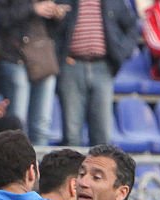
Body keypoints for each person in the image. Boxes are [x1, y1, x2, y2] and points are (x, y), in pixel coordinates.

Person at [55, 0, 138, 146]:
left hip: (103, 68)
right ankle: (72, 169)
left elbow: (132, 27)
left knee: (102, 135)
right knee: (71, 135)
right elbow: (51, 30)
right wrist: (60, 56)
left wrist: (121, 53)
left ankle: (99, 169)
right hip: (71, 67)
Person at [0, 0, 69, 147]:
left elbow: (59, 31)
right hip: (14, 56)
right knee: (17, 124)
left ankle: (38, 166)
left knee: (41, 125)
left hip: (44, 58)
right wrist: (32, 8)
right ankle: (15, 165)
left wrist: (56, 15)